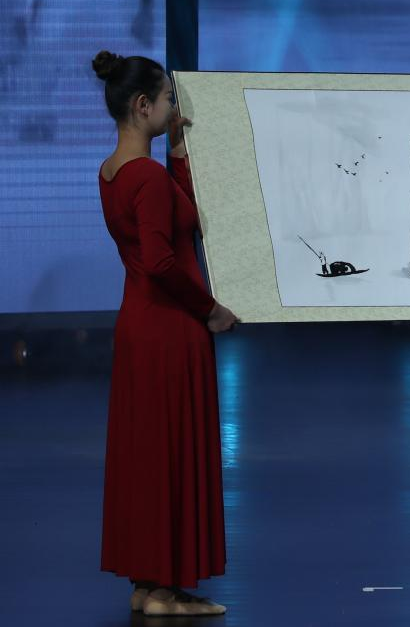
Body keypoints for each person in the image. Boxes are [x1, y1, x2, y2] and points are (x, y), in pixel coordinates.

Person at [94, 50, 239, 616]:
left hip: (139, 327)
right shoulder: (146, 178)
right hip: (170, 330)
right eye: (168, 99)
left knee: (148, 457)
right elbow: (162, 259)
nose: (174, 107)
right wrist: (210, 309)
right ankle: (165, 591)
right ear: (142, 105)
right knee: (172, 455)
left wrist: (178, 151)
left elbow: (180, 221)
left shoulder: (112, 173)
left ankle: (149, 585)